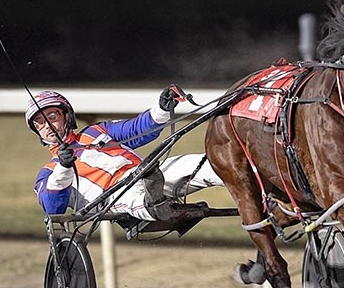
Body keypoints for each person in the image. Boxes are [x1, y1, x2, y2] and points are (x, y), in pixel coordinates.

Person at [27, 86, 224, 222]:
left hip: (147, 173)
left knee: (204, 162)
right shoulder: (48, 173)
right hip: (114, 196)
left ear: (67, 117)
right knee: (134, 197)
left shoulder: (96, 132)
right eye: (39, 123)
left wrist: (162, 108)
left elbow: (138, 129)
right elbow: (53, 209)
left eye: (52, 117)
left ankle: (250, 178)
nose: (47, 126)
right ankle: (154, 204)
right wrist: (63, 168)